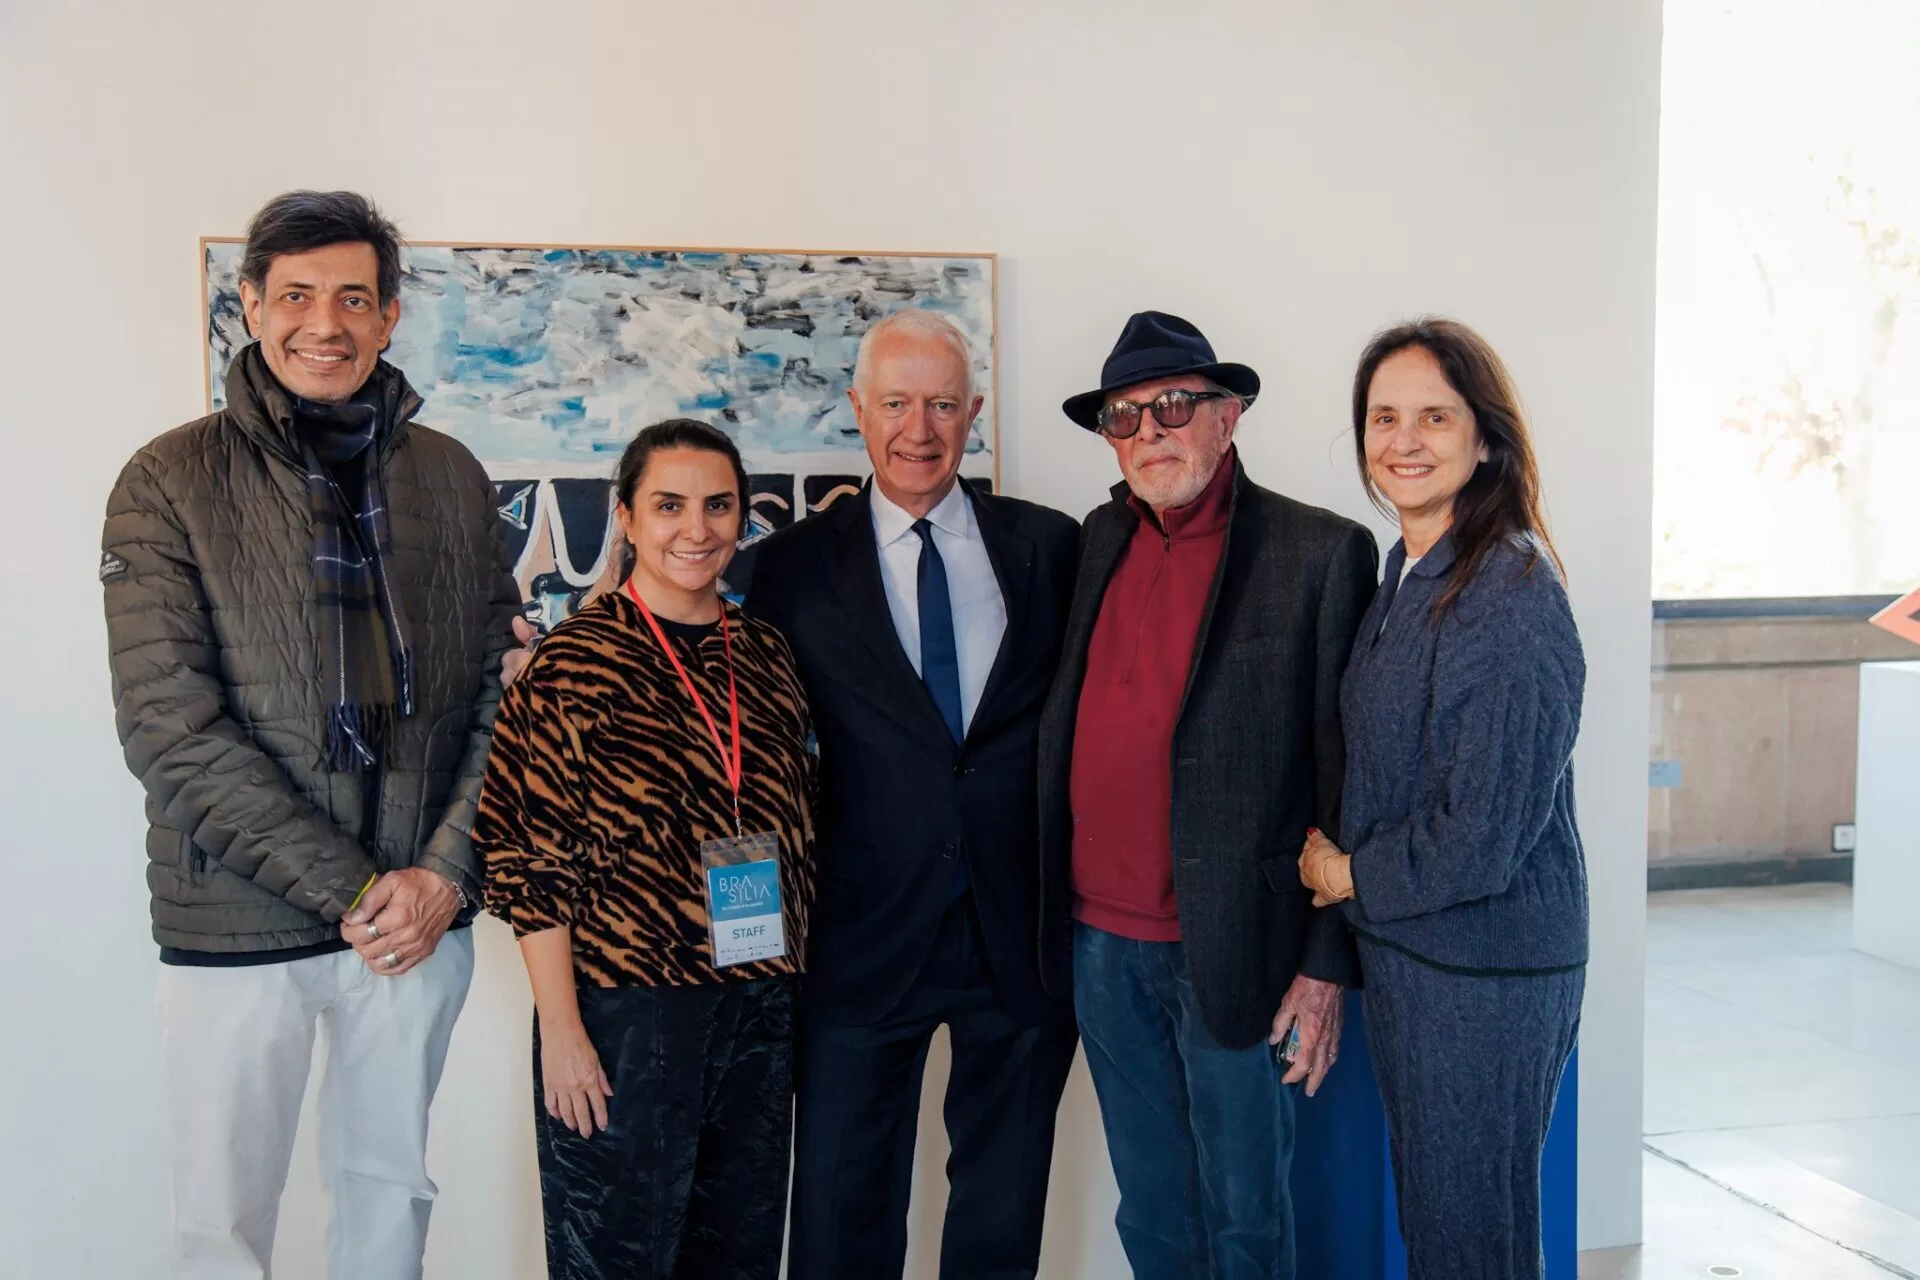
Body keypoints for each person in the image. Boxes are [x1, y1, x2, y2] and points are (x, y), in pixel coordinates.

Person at [100, 190, 520, 1279]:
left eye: (352, 298)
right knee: (221, 1224)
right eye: (295, 295)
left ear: (389, 316)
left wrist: (443, 875)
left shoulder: (452, 475)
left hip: (415, 919)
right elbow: (170, 727)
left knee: (391, 1201)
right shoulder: (167, 479)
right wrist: (353, 889)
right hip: (238, 919)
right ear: (250, 304)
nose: (323, 323)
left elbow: (499, 698)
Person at [1037, 310, 1378, 1279]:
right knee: (1151, 1207)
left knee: (1244, 1212)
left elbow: (1349, 777)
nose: (1149, 431)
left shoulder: (1320, 552)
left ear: (1228, 416)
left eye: (1174, 406)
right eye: (1125, 415)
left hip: (1239, 945)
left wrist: (1325, 965)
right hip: (1101, 944)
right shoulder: (1098, 538)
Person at [746, 309, 1080, 1279]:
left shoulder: (1052, 547)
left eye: (941, 404)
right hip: (858, 935)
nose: (919, 429)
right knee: (840, 1215)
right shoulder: (791, 567)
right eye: (896, 403)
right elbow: (752, 750)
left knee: (1001, 1217)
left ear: (974, 411)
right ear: (859, 408)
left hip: (1017, 931)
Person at [473, 419, 816, 1280]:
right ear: (625, 516)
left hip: (758, 1004)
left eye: (717, 506)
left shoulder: (765, 653)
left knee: (737, 1256)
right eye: (668, 506)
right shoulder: (573, 664)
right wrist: (563, 1031)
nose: (695, 529)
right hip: (625, 1010)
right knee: (616, 1256)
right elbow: (527, 858)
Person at [1298, 317, 1587, 1279]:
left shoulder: (1510, 591)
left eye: (1435, 416)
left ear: (1486, 437)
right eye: (1384, 418)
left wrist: (1344, 874)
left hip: (1484, 975)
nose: (1404, 441)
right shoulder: (1409, 567)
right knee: (1443, 1231)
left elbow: (1482, 838)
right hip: (1424, 960)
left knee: (1471, 1244)